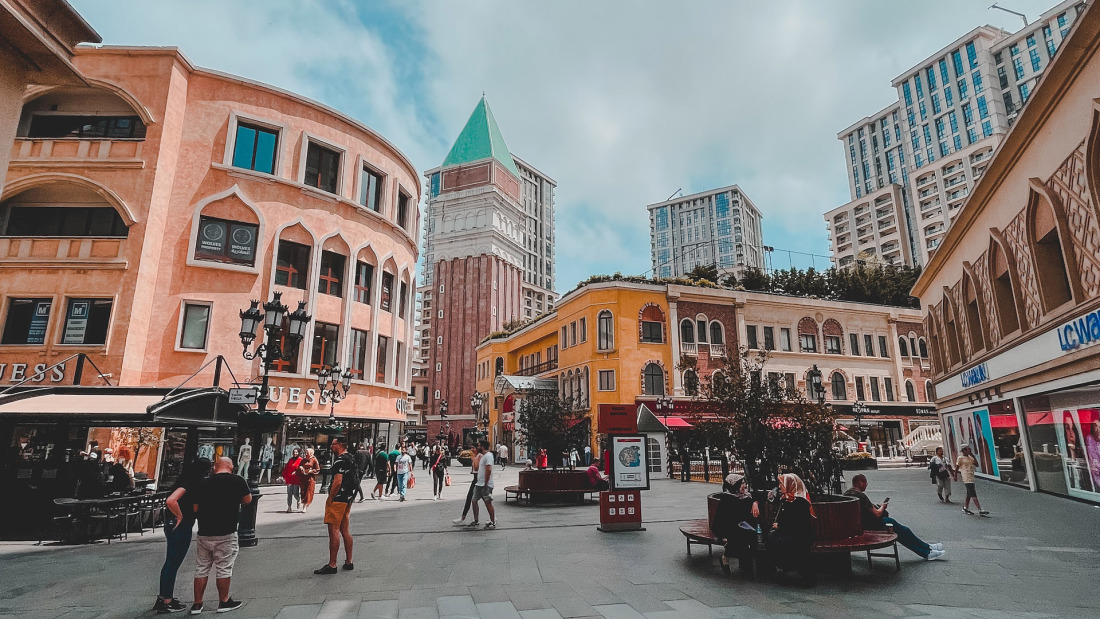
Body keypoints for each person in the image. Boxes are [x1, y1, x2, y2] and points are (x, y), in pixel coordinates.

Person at [191, 457, 249, 614]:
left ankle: (197, 604)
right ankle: (224, 602)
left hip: (204, 531)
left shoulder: (203, 482)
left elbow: (195, 508)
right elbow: (248, 499)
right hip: (226, 531)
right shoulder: (237, 480)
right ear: (231, 467)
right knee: (224, 568)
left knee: (201, 568)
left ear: (215, 467)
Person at [154, 457, 211, 614]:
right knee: (173, 562)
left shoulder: (187, 478)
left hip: (174, 523)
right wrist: (180, 516)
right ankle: (166, 600)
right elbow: (171, 500)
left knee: (171, 561)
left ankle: (165, 596)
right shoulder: (191, 482)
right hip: (179, 525)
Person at [845, 474, 946, 560]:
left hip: (860, 525)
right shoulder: (862, 496)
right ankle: (926, 552)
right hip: (873, 525)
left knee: (902, 531)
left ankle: (927, 547)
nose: (866, 486)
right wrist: (883, 507)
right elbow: (877, 514)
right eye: (865, 483)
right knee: (903, 531)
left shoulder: (847, 494)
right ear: (860, 482)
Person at [315, 438, 356, 575]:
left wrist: (330, 498)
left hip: (338, 498)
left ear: (339, 445)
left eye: (333, 444)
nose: (331, 447)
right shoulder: (350, 458)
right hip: (348, 498)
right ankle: (349, 561)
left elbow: (337, 482)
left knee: (334, 530)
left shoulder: (339, 461)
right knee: (345, 529)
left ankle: (332, 564)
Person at [766, 474, 816, 582]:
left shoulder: (800, 501)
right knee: (772, 538)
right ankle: (779, 570)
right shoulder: (787, 499)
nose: (779, 486)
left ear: (790, 484)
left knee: (781, 541)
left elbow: (798, 522)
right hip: (790, 532)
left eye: (781, 483)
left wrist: (779, 525)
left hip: (800, 534)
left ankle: (785, 570)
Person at [712, 473, 760, 576]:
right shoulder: (727, 499)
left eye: (744, 483)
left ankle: (728, 557)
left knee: (748, 535)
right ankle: (733, 560)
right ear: (734, 485)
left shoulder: (746, 496)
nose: (745, 486)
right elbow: (721, 522)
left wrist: (755, 503)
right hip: (727, 528)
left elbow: (759, 496)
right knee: (742, 537)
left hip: (743, 528)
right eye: (742, 483)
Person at [469, 440, 496, 529]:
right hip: (479, 483)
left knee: (488, 503)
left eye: (479, 446)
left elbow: (488, 470)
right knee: (474, 500)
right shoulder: (483, 456)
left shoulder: (488, 456)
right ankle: (476, 520)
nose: (478, 447)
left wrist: (486, 482)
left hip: (485, 484)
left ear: (483, 447)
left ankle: (492, 521)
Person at [452, 447, 483, 526]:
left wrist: (473, 460)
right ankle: (465, 517)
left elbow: (477, 468)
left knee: (485, 500)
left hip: (479, 480)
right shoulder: (476, 456)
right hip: (475, 480)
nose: (472, 449)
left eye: (473, 448)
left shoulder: (480, 456)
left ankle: (492, 517)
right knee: (471, 498)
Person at [954, 445, 989, 516]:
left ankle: (965, 507)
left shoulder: (970, 458)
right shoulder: (960, 458)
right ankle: (980, 509)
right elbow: (957, 467)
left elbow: (977, 464)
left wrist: (972, 455)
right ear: (964, 450)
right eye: (967, 449)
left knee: (969, 493)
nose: (969, 451)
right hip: (966, 476)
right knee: (973, 493)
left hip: (971, 476)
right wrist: (955, 476)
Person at [281, 448, 303, 513]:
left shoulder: (300, 460)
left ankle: (298, 499)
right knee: (289, 493)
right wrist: (284, 477)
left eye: (296, 452)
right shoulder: (290, 460)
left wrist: (297, 472)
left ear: (298, 453)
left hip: (296, 479)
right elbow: (286, 468)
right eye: (294, 452)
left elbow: (302, 469)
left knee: (295, 493)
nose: (295, 453)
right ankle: (289, 507)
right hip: (289, 478)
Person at [299, 448, 320, 512]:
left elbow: (317, 469)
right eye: (306, 452)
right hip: (304, 477)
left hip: (310, 478)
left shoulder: (313, 459)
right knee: (303, 491)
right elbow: (300, 466)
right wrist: (301, 468)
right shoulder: (303, 460)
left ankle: (305, 506)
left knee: (309, 491)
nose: (306, 453)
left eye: (307, 452)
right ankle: (303, 502)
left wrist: (312, 471)